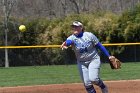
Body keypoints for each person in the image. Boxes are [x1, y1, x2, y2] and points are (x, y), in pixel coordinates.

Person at [61, 21, 113, 93]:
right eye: (73, 27)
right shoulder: (72, 37)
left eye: (76, 26)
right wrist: (65, 43)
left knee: (93, 79)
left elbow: (99, 46)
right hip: (81, 63)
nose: (74, 28)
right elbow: (68, 41)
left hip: (93, 59)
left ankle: (103, 86)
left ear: (81, 27)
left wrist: (109, 56)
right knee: (87, 83)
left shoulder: (89, 35)